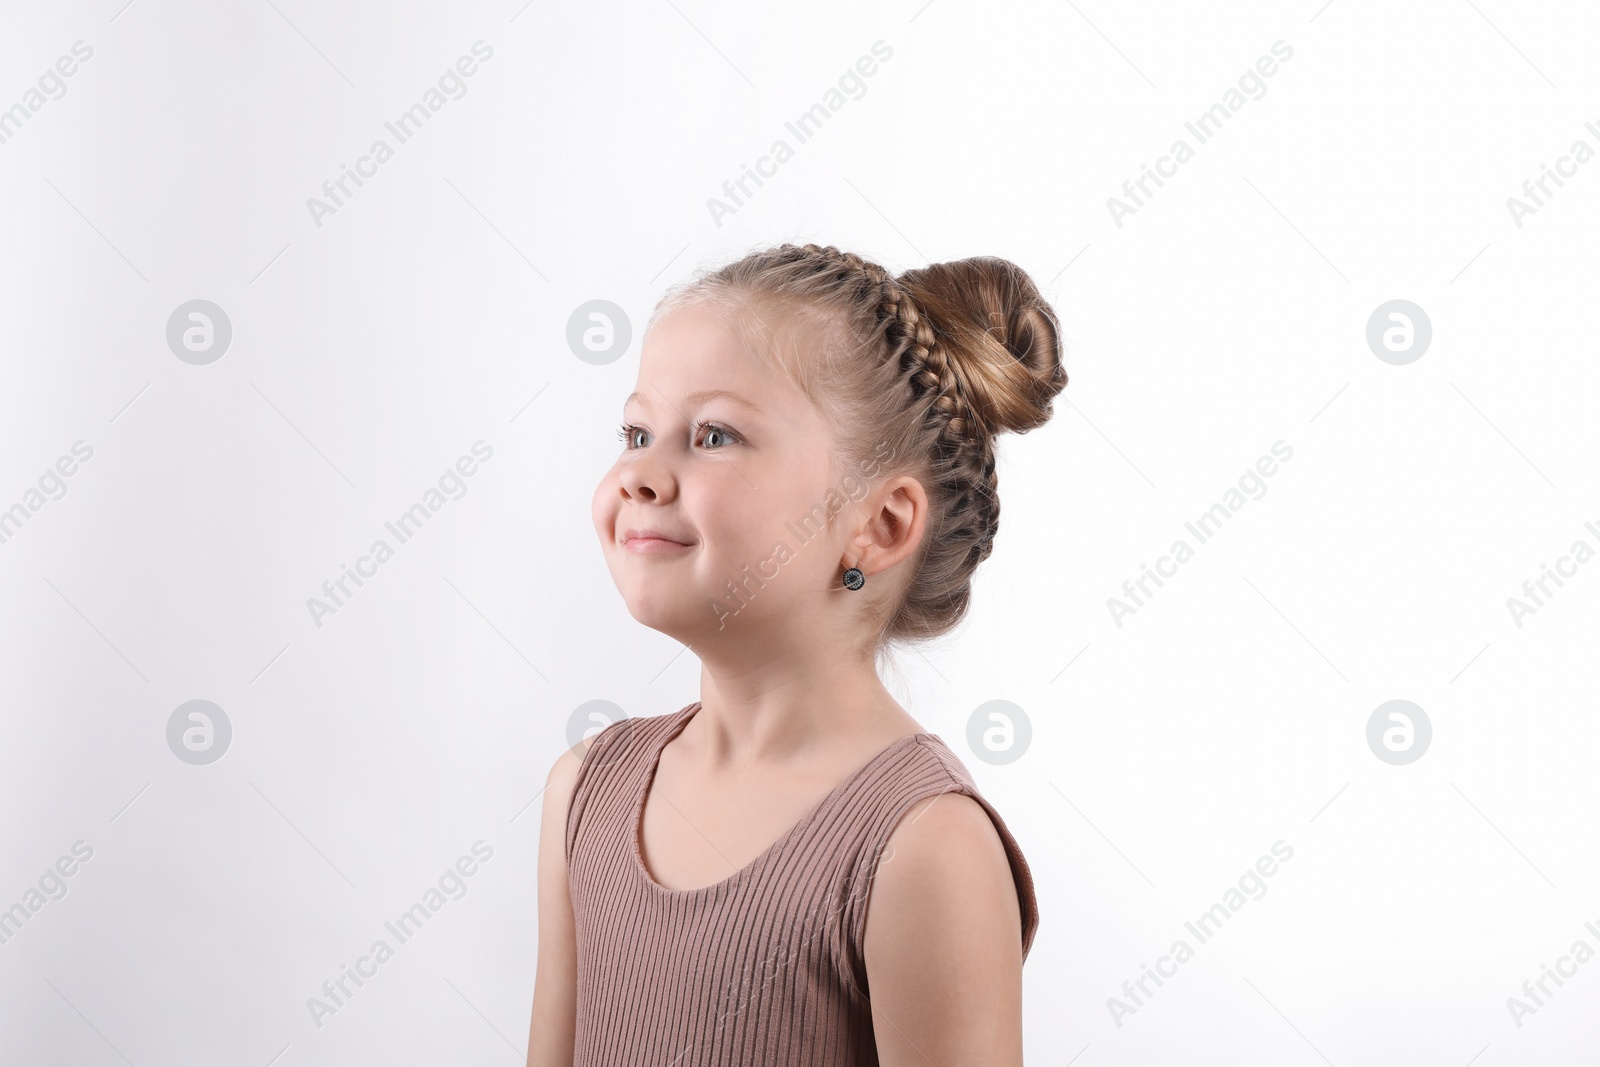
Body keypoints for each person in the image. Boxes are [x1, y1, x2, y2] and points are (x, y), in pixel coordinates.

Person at [528, 242, 1068, 1066]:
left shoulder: (924, 849)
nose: (640, 469)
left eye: (713, 434)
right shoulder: (585, 791)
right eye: (637, 429)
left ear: (880, 525)